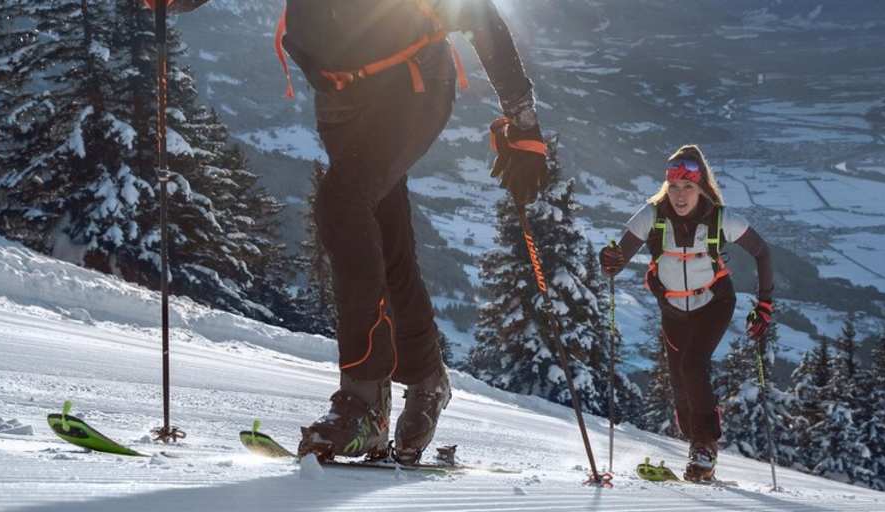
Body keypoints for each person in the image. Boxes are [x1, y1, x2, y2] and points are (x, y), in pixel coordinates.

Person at [171, 0, 551, 465]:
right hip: (342, 105)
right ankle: (426, 374)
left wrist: (525, 124)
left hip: (412, 87)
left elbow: (478, 13)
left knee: (342, 203)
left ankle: (365, 402)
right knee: (385, 237)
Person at [599, 145, 775, 482]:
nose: (680, 195)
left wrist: (764, 305)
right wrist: (609, 260)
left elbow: (762, 252)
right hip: (673, 309)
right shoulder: (651, 215)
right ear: (667, 186)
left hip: (715, 303)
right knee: (680, 382)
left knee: (694, 364)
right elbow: (618, 257)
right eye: (675, 186)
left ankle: (705, 446)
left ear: (701, 188)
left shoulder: (720, 218)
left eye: (688, 187)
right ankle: (696, 441)